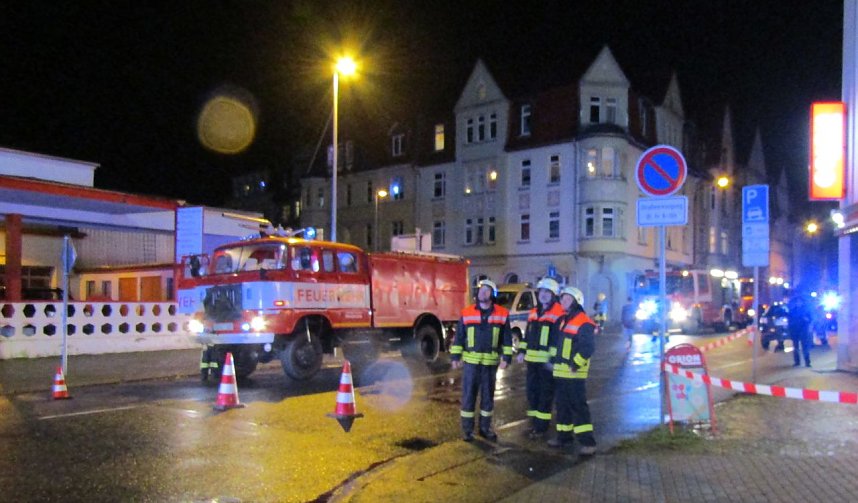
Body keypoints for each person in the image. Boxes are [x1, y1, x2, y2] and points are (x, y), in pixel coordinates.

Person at [450, 279, 513, 442]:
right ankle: (467, 430)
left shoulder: (502, 313)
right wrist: (455, 356)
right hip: (471, 364)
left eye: (486, 290)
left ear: (492, 295)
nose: (482, 293)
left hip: (490, 365)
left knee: (487, 398)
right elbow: (459, 337)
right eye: (481, 290)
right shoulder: (467, 312)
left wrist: (507, 357)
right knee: (468, 397)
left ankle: (485, 428)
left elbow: (506, 339)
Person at [547, 285, 597, 455]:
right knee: (562, 407)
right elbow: (559, 346)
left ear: (576, 302)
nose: (564, 301)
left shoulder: (584, 321)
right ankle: (563, 437)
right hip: (561, 372)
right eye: (563, 298)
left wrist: (575, 364)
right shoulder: (563, 320)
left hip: (574, 373)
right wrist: (553, 360)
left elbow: (588, 347)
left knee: (578, 407)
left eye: (568, 299)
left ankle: (588, 442)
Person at [516, 277, 564, 439]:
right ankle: (534, 422)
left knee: (545, 394)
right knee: (532, 392)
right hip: (532, 361)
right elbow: (528, 335)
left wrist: (551, 359)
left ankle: (541, 427)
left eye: (547, 292)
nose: (543, 295)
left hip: (546, 363)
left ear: (553, 295)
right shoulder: (534, 312)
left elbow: (557, 340)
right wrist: (522, 351)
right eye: (541, 291)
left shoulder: (558, 312)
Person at [787, 293, 813, 367]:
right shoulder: (793, 311)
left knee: (805, 346)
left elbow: (810, 319)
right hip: (795, 331)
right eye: (797, 302)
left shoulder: (806, 310)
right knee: (796, 347)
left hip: (803, 331)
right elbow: (789, 320)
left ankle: (807, 362)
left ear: (802, 302)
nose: (798, 303)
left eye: (800, 302)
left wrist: (806, 320)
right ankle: (797, 362)